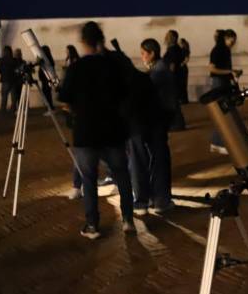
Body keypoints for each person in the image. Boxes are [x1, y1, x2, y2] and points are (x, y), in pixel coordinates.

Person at [57, 21, 135, 239]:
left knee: (89, 180)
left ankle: (92, 225)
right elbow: (124, 95)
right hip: (113, 130)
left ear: (83, 42)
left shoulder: (76, 68)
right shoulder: (113, 66)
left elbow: (65, 101)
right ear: (101, 40)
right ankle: (128, 220)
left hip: (86, 132)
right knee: (122, 176)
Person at [129, 38, 175, 215]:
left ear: (152, 53)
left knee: (154, 160)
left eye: (143, 53)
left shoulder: (159, 71)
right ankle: (159, 198)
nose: (141, 57)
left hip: (155, 120)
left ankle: (152, 199)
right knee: (157, 159)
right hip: (157, 120)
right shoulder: (159, 69)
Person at [208, 29, 242, 154]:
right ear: (226, 38)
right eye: (232, 40)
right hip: (219, 83)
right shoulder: (218, 50)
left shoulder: (224, 49)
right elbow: (212, 69)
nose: (233, 43)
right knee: (223, 112)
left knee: (224, 112)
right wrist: (230, 72)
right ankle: (218, 143)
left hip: (223, 82)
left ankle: (217, 142)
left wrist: (231, 74)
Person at [162, 30, 186, 131]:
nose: (166, 38)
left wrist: (168, 77)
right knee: (174, 102)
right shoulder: (175, 49)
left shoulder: (173, 50)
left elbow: (172, 65)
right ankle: (178, 123)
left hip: (173, 79)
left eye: (168, 36)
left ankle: (178, 124)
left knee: (173, 102)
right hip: (176, 79)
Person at [0, 46, 19, 114]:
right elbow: (17, 69)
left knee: (4, 96)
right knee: (13, 96)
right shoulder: (14, 60)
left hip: (5, 79)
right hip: (13, 79)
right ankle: (13, 109)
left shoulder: (1, 60)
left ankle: (3, 110)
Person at [39, 45, 55, 110]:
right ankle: (49, 107)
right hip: (45, 80)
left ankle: (50, 108)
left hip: (46, 80)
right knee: (47, 94)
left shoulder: (47, 60)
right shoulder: (48, 59)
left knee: (47, 94)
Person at [178, 38, 191, 104]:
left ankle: (184, 100)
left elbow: (187, 59)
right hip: (182, 68)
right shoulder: (181, 50)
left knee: (183, 84)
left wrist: (181, 64)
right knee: (182, 84)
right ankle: (183, 99)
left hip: (182, 68)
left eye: (179, 42)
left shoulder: (184, 50)